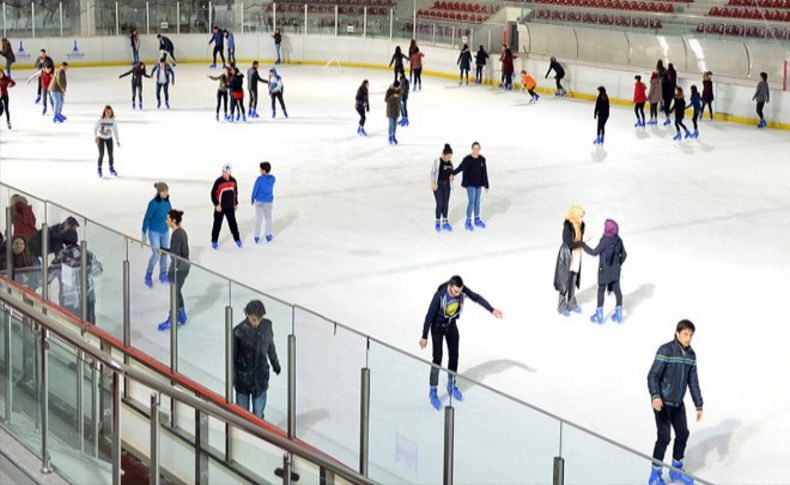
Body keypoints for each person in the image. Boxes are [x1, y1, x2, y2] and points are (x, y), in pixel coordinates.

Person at [420, 275, 503, 410]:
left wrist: (491, 309)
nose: (459, 294)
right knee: (437, 358)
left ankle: (451, 383)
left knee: (454, 357)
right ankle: (433, 390)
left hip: (451, 325)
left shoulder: (462, 290)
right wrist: (424, 336)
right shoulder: (440, 295)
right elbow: (429, 316)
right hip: (437, 327)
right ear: (450, 287)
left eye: (460, 291)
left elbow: (476, 297)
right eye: (456, 292)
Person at [647, 320, 703, 485]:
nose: (688, 338)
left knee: (683, 434)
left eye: (691, 335)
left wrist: (698, 404)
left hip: (678, 403)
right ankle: (655, 475)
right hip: (663, 402)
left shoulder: (691, 355)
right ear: (677, 333)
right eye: (685, 334)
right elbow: (652, 376)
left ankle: (676, 471)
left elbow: (693, 382)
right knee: (664, 437)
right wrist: (655, 396)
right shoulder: (666, 350)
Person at [233, 299, 281, 419]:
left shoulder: (267, 326)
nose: (257, 323)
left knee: (258, 416)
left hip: (260, 380)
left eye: (259, 319)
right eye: (254, 319)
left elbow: (270, 347)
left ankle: (257, 437)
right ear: (247, 315)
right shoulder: (238, 331)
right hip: (243, 380)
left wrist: (275, 364)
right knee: (242, 417)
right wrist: (233, 380)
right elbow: (232, 358)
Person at [48, 229, 103, 324]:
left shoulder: (60, 257)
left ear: (64, 241)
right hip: (87, 297)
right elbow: (98, 271)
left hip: (68, 299)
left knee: (71, 328)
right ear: (77, 239)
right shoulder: (87, 254)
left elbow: (47, 277)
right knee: (90, 329)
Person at [582, 219, 627, 324]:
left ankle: (599, 315)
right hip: (615, 272)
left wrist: (583, 245)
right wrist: (618, 265)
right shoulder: (619, 240)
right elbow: (624, 255)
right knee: (617, 290)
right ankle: (619, 313)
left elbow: (594, 252)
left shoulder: (605, 240)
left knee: (601, 291)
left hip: (604, 272)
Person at [158, 210, 189, 330]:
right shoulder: (180, 232)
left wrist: (171, 272)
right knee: (177, 291)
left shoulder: (177, 234)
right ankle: (182, 315)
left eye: (168, 219)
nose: (166, 221)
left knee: (174, 292)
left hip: (179, 268)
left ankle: (173, 318)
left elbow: (175, 256)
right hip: (183, 267)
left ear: (173, 221)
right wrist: (164, 249)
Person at [555, 205, 585, 316]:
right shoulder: (567, 226)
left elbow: (579, 240)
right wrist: (582, 242)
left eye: (582, 217)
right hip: (567, 255)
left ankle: (572, 303)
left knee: (573, 279)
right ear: (574, 215)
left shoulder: (581, 225)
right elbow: (568, 243)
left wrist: (581, 242)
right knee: (564, 281)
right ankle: (561, 306)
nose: (581, 219)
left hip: (577, 255)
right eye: (580, 216)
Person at [453, 142, 489, 231]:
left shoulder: (482, 159)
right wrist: (452, 173)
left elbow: (484, 172)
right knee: (471, 201)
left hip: (478, 184)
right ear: (472, 149)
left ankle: (477, 220)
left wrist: (486, 185)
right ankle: (468, 221)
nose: (476, 150)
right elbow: (460, 167)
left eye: (478, 148)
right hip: (470, 184)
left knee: (477, 202)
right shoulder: (467, 159)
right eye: (474, 148)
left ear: (479, 149)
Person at [141, 182, 172, 288]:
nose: (166, 193)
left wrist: (173, 224)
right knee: (156, 254)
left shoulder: (167, 203)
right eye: (164, 192)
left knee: (164, 253)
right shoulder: (153, 203)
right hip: (154, 232)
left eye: (167, 191)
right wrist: (144, 232)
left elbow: (170, 215)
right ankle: (148, 275)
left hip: (165, 232)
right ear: (159, 192)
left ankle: (163, 273)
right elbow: (147, 217)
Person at [211, 164, 242, 250]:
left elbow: (235, 193)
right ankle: (214, 240)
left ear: (230, 172)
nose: (224, 173)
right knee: (217, 224)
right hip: (220, 207)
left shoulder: (233, 181)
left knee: (233, 224)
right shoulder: (218, 181)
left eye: (226, 172)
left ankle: (237, 239)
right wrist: (216, 204)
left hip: (230, 207)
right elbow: (213, 194)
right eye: (223, 172)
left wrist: (235, 203)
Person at [431, 144, 455, 233]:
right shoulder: (437, 161)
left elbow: (451, 173)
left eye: (450, 156)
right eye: (448, 156)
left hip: (447, 186)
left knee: (446, 203)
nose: (449, 158)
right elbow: (432, 173)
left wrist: (452, 177)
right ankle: (437, 222)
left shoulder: (450, 163)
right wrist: (433, 183)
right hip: (438, 185)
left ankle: (445, 221)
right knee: (440, 203)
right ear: (444, 155)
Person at [251, 162, 276, 244]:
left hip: (259, 202)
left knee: (259, 219)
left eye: (261, 169)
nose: (260, 170)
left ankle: (256, 236)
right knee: (268, 218)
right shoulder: (272, 178)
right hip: (269, 202)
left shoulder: (259, 179)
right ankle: (268, 235)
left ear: (264, 171)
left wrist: (252, 198)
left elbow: (255, 189)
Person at [94, 105, 121, 178]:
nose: (108, 113)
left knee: (110, 154)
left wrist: (117, 141)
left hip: (109, 138)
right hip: (101, 138)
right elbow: (95, 128)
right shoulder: (101, 120)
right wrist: (96, 137)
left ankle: (111, 168)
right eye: (107, 112)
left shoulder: (113, 121)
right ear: (104, 112)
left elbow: (115, 131)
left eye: (110, 112)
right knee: (101, 154)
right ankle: (99, 169)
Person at [385, 81, 401, 145]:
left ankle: (393, 136)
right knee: (391, 124)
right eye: (398, 87)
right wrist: (393, 96)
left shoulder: (399, 90)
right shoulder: (389, 91)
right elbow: (386, 99)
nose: (399, 88)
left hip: (396, 110)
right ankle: (390, 137)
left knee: (395, 125)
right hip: (390, 111)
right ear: (394, 87)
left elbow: (400, 98)